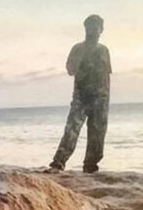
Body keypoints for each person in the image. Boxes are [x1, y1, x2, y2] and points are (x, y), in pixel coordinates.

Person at [48, 14, 112, 174]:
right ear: (85, 29)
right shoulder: (78, 48)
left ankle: (90, 168)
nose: (92, 31)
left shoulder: (104, 50)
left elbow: (106, 76)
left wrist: (105, 101)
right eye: (89, 28)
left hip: (100, 101)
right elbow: (70, 70)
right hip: (81, 99)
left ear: (101, 30)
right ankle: (58, 164)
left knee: (97, 136)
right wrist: (81, 59)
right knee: (71, 131)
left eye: (95, 28)